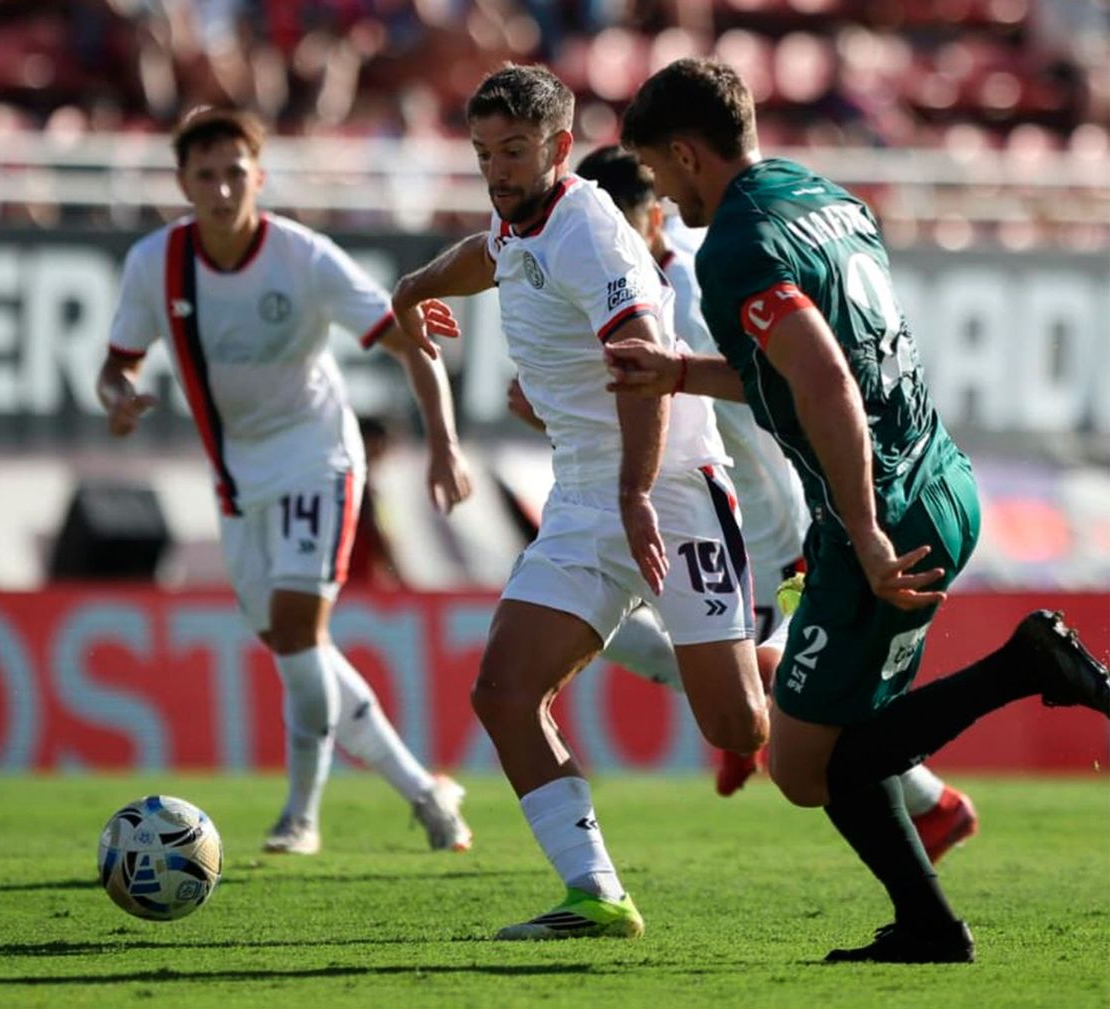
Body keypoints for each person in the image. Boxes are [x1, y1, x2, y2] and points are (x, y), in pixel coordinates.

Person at [610, 58, 1110, 962]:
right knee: (836, 741)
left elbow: (826, 380)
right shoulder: (820, 195)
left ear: (685, 153)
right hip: (940, 479)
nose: (664, 194)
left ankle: (1026, 663)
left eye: (657, 169)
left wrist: (867, 532)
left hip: (884, 514)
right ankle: (927, 923)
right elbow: (807, 368)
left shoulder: (734, 246)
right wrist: (680, 372)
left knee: (806, 768)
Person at [506, 143, 973, 861]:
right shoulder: (601, 278)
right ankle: (764, 730)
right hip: (670, 504)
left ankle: (928, 801)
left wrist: (792, 539)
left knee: (792, 690)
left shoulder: (692, 294)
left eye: (619, 227)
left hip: (754, 518)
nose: (604, 244)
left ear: (651, 221)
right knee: (639, 641)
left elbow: (748, 407)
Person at [392, 64, 769, 940]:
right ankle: (595, 893)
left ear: (560, 148)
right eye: (484, 152)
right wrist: (414, 289)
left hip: (669, 489)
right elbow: (488, 254)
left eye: (515, 150)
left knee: (739, 723)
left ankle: (816, 663)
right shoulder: (518, 215)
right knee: (504, 690)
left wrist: (635, 492)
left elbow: (644, 358)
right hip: (584, 497)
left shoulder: (589, 231)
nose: (497, 170)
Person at [97, 106, 475, 857]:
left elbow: (410, 343)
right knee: (298, 650)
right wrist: (119, 398)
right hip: (237, 480)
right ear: (183, 184)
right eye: (206, 175)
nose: (222, 188)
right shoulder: (154, 263)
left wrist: (445, 446)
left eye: (235, 173)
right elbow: (116, 365)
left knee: (301, 636)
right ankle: (425, 791)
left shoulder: (303, 257)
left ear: (259, 178)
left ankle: (300, 816)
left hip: (316, 457)